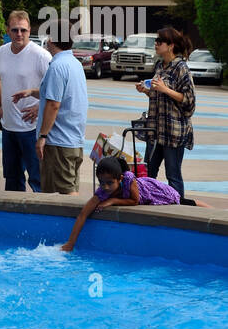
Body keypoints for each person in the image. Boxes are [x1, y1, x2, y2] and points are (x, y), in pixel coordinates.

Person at [60, 154, 200, 252]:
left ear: (119, 179)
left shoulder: (128, 179)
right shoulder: (102, 192)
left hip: (154, 191)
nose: (106, 187)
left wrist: (113, 201)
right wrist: (71, 243)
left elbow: (135, 201)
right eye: (102, 183)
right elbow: (83, 215)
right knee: (186, 202)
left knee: (183, 201)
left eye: (110, 183)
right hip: (145, 194)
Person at [14, 31, 88, 194]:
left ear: (53, 39)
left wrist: (42, 136)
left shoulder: (57, 66)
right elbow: (57, 93)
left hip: (58, 143)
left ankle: (78, 219)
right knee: (69, 189)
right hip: (73, 140)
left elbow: (54, 104)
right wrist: (31, 92)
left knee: (63, 195)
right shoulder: (74, 63)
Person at [0, 11, 51, 191]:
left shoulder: (41, 56)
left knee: (37, 180)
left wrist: (40, 108)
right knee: (12, 179)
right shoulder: (2, 52)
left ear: (29, 30)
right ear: (7, 30)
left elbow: (57, 90)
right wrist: (0, 104)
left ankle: (41, 217)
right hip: (8, 129)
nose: (19, 34)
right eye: (15, 30)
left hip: (31, 130)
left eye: (23, 30)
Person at [137, 26, 196, 199]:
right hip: (155, 130)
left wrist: (165, 89)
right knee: (148, 173)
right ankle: (148, 203)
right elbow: (159, 95)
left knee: (173, 176)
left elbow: (189, 102)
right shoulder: (160, 66)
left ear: (170, 46)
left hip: (173, 132)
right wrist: (146, 90)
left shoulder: (181, 68)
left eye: (159, 41)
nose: (156, 44)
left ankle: (177, 211)